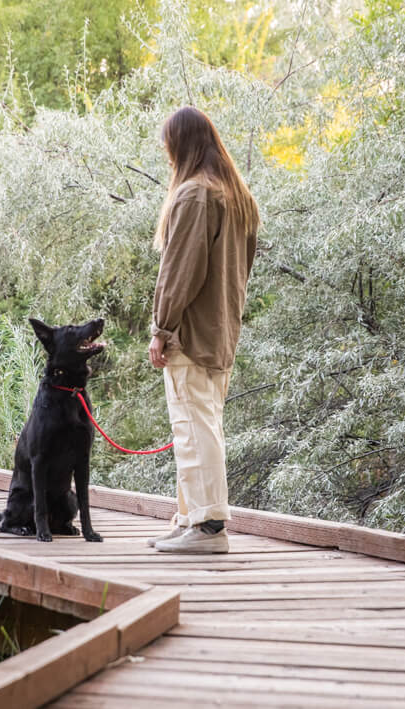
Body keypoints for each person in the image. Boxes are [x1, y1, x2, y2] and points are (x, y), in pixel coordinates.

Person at [146, 106, 260, 554]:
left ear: (182, 145)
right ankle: (190, 518)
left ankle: (209, 527)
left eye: (169, 147)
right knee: (199, 426)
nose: (168, 155)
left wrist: (162, 327)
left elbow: (180, 271)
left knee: (194, 428)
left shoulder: (195, 194)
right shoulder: (237, 196)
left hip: (191, 334)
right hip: (221, 331)